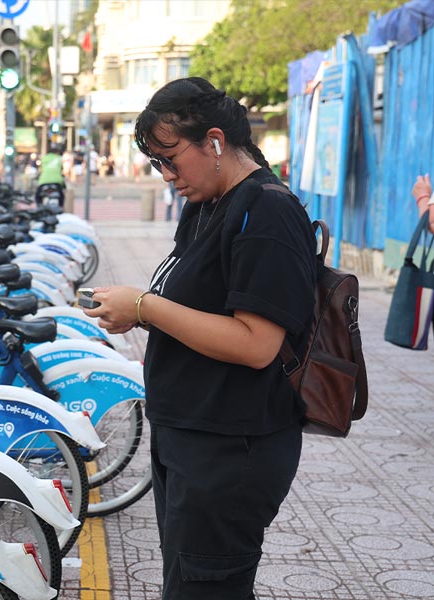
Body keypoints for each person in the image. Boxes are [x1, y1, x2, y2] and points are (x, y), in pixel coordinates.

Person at [82, 77, 317, 600]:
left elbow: (257, 344)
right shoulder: (209, 203)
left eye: (171, 159)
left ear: (213, 141)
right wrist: (137, 312)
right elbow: (198, 308)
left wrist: (145, 307)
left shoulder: (267, 213)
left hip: (230, 451)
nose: (167, 176)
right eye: (156, 165)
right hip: (191, 439)